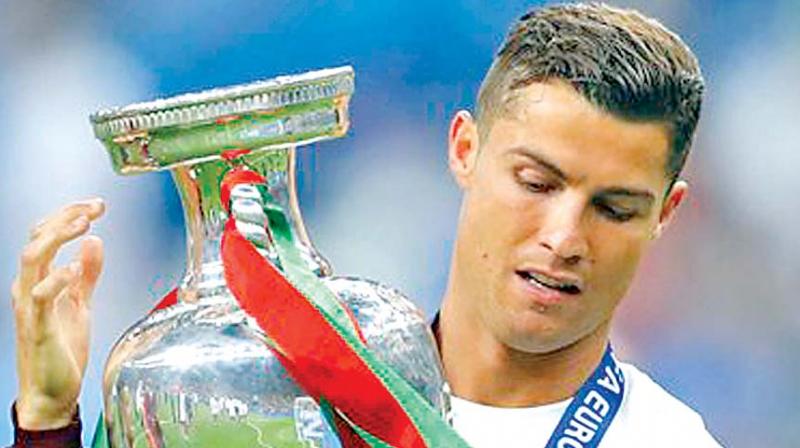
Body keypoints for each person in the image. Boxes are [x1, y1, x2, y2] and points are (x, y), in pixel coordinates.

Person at [8, 3, 721, 447]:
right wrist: (48, 423)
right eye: (535, 183)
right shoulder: (284, 394)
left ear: (665, 215)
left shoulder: (662, 440)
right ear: (464, 150)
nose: (564, 237)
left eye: (614, 208)